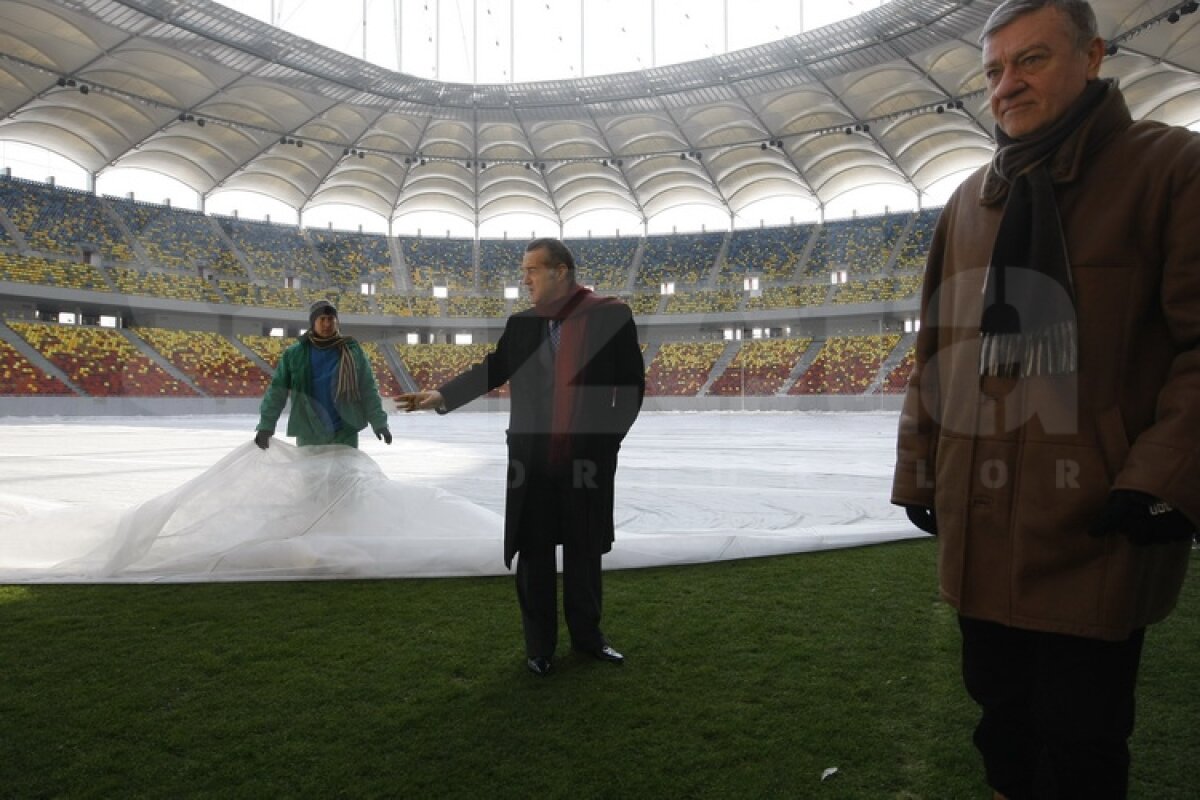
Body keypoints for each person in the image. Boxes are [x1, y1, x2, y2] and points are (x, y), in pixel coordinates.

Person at [891, 1, 1199, 797]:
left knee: (1082, 738)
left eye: (1031, 60)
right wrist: (921, 473)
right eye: (994, 70)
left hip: (1096, 526)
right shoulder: (970, 200)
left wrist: (1159, 482)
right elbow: (935, 358)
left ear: (1092, 55)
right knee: (1000, 723)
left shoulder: (1171, 169)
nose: (1007, 85)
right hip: (979, 522)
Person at [400, 238, 644, 677]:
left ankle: (588, 639)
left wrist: (607, 443)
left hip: (586, 458)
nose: (525, 279)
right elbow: (494, 369)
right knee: (533, 552)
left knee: (584, 550)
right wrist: (442, 395)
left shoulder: (610, 316)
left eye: (532, 270)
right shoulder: (523, 325)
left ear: (560, 271)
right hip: (530, 459)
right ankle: (539, 647)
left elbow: (630, 387)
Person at [256, 299, 392, 449]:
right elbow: (277, 391)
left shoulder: (352, 352)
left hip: (344, 432)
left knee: (345, 466)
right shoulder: (294, 354)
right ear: (313, 322)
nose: (327, 324)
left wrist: (379, 423)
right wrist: (266, 426)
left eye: (331, 319)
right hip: (309, 433)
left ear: (337, 322)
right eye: (322, 319)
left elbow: (368, 389)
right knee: (311, 466)